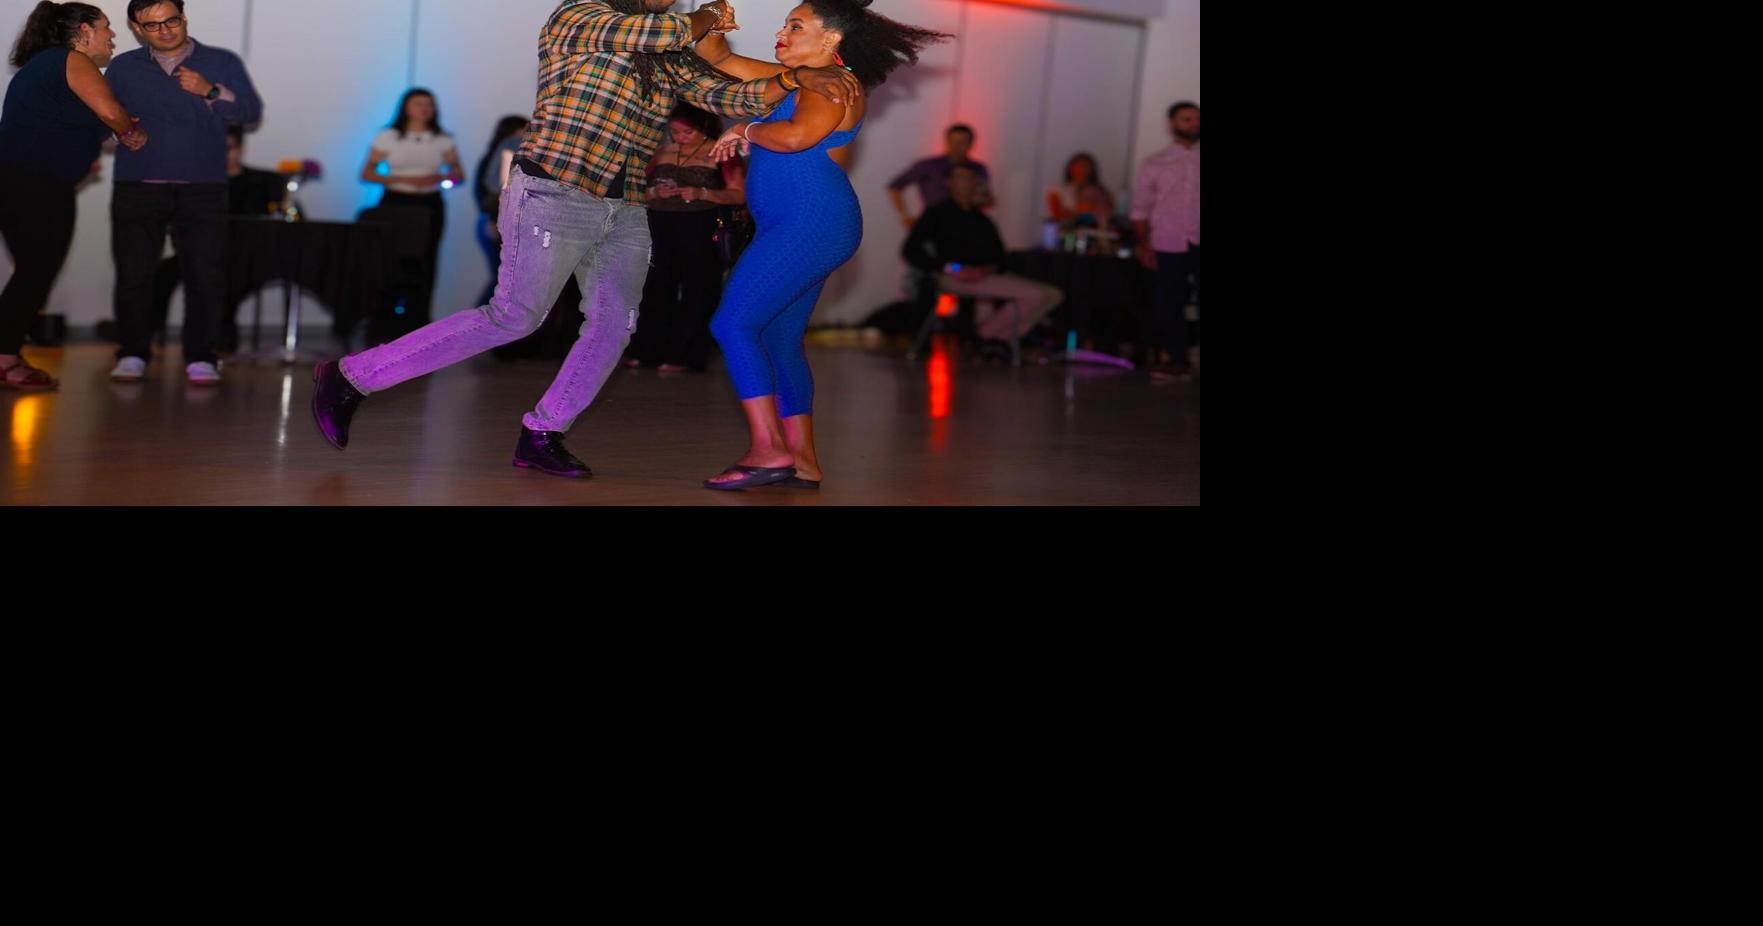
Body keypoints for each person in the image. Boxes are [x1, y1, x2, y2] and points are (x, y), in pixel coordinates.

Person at [310, 0, 863, 480]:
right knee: (514, 316)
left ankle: (543, 432)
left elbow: (722, 94)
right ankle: (352, 376)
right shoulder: (580, 16)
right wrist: (716, 20)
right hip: (554, 190)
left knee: (614, 324)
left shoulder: (667, 53)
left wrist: (796, 80)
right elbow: (664, 31)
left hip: (624, 206)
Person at [697, 0, 949, 490]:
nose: (783, 32)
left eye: (796, 26)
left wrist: (744, 128)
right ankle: (803, 460)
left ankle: (768, 449)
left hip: (809, 222)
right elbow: (720, 59)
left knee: (732, 323)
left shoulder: (832, 84)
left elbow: (797, 137)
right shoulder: (800, 80)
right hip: (801, 225)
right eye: (784, 24)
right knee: (778, 339)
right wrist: (711, 21)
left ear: (831, 39)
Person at [105, 0, 263, 386]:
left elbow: (250, 113)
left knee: (205, 274)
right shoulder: (123, 67)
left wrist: (210, 90)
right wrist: (119, 132)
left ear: (184, 18)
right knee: (134, 273)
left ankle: (202, 356)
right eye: (152, 25)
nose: (164, 30)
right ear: (137, 28)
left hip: (203, 187)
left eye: (171, 20)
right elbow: (102, 118)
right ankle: (132, 353)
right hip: (138, 184)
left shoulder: (221, 61)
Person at [1, 1, 147, 390]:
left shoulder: (48, 66)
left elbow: (70, 126)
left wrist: (85, 152)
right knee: (34, 273)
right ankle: (4, 359)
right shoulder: (70, 59)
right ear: (83, 31)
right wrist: (131, 133)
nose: (112, 35)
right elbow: (111, 114)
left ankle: (6, 355)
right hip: (34, 186)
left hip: (25, 183)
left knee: (32, 272)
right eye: (105, 26)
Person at [624, 102, 744, 372]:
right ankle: (647, 350)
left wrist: (703, 193)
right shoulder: (663, 152)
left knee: (698, 291)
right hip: (659, 225)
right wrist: (655, 193)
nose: (680, 138)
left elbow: (739, 194)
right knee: (654, 289)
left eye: (687, 132)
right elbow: (634, 190)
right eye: (675, 132)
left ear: (703, 128)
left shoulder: (721, 151)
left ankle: (686, 354)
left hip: (700, 227)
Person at [360, 87, 464, 341]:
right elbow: (367, 173)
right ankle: (382, 324)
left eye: (429, 104)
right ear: (406, 107)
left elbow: (458, 175)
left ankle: (417, 325)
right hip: (395, 202)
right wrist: (399, 179)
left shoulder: (442, 139)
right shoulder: (388, 136)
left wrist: (439, 177)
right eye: (418, 103)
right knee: (389, 262)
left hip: (429, 204)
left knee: (425, 263)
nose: (424, 109)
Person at [1130, 101, 1200, 380]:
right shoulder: (1155, 163)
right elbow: (1140, 208)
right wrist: (1144, 243)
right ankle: (1177, 359)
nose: (1193, 124)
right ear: (1172, 124)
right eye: (1186, 119)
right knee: (1170, 302)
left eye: (1196, 119)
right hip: (1168, 240)